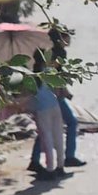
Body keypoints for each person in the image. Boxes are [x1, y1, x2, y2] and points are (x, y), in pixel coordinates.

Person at [28, 28, 85, 172]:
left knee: (45, 129)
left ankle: (36, 161)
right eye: (68, 37)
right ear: (62, 38)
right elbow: (58, 75)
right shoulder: (60, 53)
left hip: (49, 96)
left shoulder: (49, 52)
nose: (70, 40)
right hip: (53, 97)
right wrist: (64, 91)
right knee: (69, 124)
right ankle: (65, 159)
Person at [31, 52, 68, 181]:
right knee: (59, 136)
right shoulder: (50, 71)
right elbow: (58, 90)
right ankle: (60, 166)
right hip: (55, 105)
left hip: (42, 108)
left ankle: (50, 169)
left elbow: (30, 95)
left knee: (47, 138)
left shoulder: (32, 75)